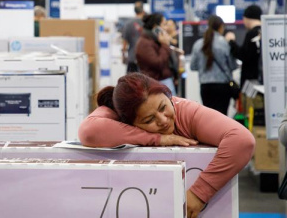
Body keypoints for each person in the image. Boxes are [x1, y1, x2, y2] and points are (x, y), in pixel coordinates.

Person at [78, 72, 255, 218]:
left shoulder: (187, 113)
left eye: (163, 107)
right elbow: (88, 131)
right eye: (149, 120)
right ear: (128, 122)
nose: (163, 121)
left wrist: (200, 193)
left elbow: (241, 141)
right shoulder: (119, 112)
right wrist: (157, 139)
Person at [190, 15, 238, 115]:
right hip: (223, 86)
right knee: (222, 117)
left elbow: (193, 66)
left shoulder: (198, 44)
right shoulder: (225, 43)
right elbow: (233, 66)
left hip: (205, 87)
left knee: (208, 117)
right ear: (221, 27)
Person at [135, 12, 177, 95]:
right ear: (156, 27)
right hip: (157, 82)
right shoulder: (145, 43)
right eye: (164, 24)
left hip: (163, 81)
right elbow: (158, 63)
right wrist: (165, 45)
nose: (166, 28)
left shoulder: (155, 41)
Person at [225, 4, 263, 87]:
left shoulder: (251, 34)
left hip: (251, 83)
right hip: (263, 80)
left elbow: (243, 55)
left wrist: (231, 42)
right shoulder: (266, 31)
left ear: (247, 18)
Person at [121, 1, 145, 73]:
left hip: (132, 57)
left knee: (131, 81)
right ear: (143, 10)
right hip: (145, 58)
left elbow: (125, 42)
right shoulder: (147, 23)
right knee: (145, 82)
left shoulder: (128, 24)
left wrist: (123, 55)